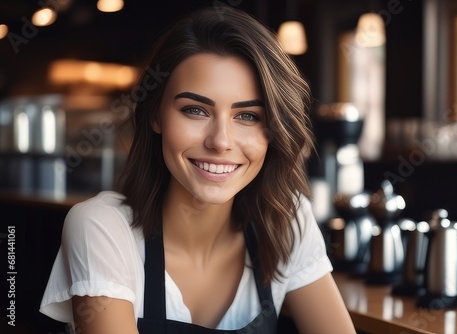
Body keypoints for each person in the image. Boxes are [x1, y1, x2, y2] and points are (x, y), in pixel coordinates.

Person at [40, 6, 356, 334]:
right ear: (156, 116)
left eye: (248, 116)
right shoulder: (102, 228)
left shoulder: (285, 220)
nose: (220, 141)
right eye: (195, 110)